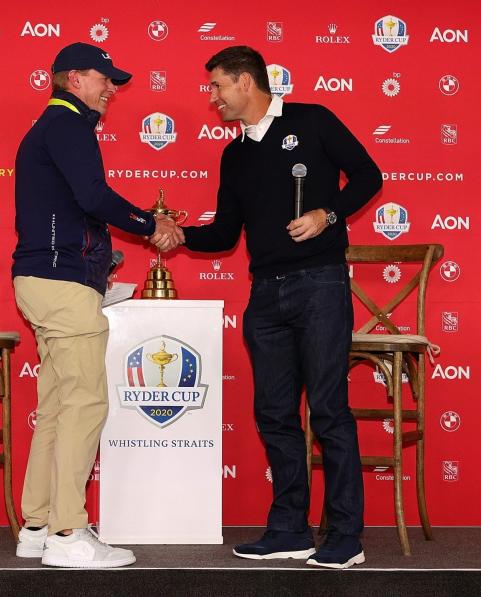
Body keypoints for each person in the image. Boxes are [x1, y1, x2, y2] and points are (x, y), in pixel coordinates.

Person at [152, 46, 382, 569]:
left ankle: (346, 536)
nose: (212, 98)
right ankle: (289, 530)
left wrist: (330, 213)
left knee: (328, 411)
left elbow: (369, 175)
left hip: (320, 284)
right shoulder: (234, 155)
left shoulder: (313, 119)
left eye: (217, 87)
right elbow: (227, 233)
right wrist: (179, 235)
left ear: (245, 82)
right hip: (265, 294)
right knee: (275, 414)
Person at [12, 41, 181, 569]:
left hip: (47, 280)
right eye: (104, 77)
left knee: (60, 409)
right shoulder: (67, 126)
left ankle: (37, 526)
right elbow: (93, 197)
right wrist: (151, 223)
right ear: (72, 79)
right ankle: (68, 531)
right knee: (84, 405)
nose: (112, 87)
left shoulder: (55, 128)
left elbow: (78, 205)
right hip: (59, 283)